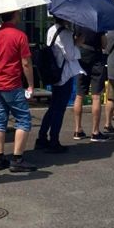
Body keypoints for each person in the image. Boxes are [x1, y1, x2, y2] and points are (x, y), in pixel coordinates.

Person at [0, 8, 37, 172]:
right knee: (23, 119)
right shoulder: (20, 36)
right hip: (12, 83)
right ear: (15, 15)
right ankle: (17, 158)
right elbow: (26, 63)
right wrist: (30, 84)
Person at [37, 16, 82, 153]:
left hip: (53, 70)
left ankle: (42, 137)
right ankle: (54, 140)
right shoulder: (67, 34)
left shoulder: (51, 30)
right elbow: (70, 56)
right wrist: (77, 43)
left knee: (53, 107)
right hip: (64, 74)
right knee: (59, 109)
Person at [72, 26, 108, 142]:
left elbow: (76, 41)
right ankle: (95, 132)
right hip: (96, 58)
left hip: (81, 57)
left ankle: (78, 129)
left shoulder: (79, 22)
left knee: (79, 95)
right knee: (96, 96)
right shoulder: (98, 23)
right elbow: (104, 44)